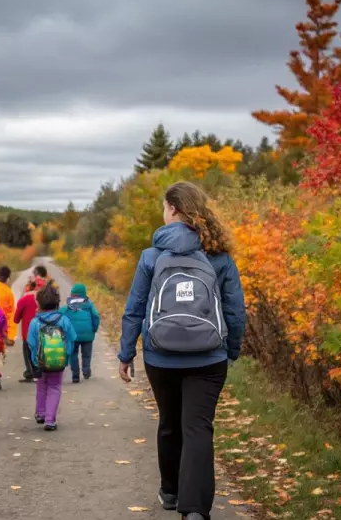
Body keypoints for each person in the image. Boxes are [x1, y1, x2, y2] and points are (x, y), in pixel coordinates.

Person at [117, 182, 245, 520]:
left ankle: (171, 492)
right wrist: (230, 350)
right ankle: (195, 510)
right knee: (198, 426)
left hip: (160, 356)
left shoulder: (151, 256)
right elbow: (235, 311)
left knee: (170, 423)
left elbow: (135, 308)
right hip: (209, 357)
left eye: (164, 207)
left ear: (173, 208)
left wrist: (126, 353)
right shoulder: (219, 256)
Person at [26, 285, 77, 431]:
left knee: (41, 386)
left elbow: (31, 343)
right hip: (58, 362)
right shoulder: (64, 320)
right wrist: (66, 355)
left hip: (40, 362)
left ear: (38, 304)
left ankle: (40, 413)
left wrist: (35, 359)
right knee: (54, 387)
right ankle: (50, 420)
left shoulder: (35, 322)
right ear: (57, 303)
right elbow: (72, 338)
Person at [60, 284, 101, 383]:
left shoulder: (68, 305)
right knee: (86, 354)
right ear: (84, 294)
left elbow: (60, 314)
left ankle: (75, 376)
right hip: (88, 334)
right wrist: (94, 329)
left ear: (72, 294)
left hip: (73, 335)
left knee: (73, 354)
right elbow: (96, 316)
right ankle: (86, 371)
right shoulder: (89, 304)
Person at [14, 278, 40, 382]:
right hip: (43, 330)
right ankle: (41, 371)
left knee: (28, 351)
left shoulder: (23, 300)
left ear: (27, 288)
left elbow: (16, 319)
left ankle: (31, 372)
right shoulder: (41, 298)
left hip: (28, 332)